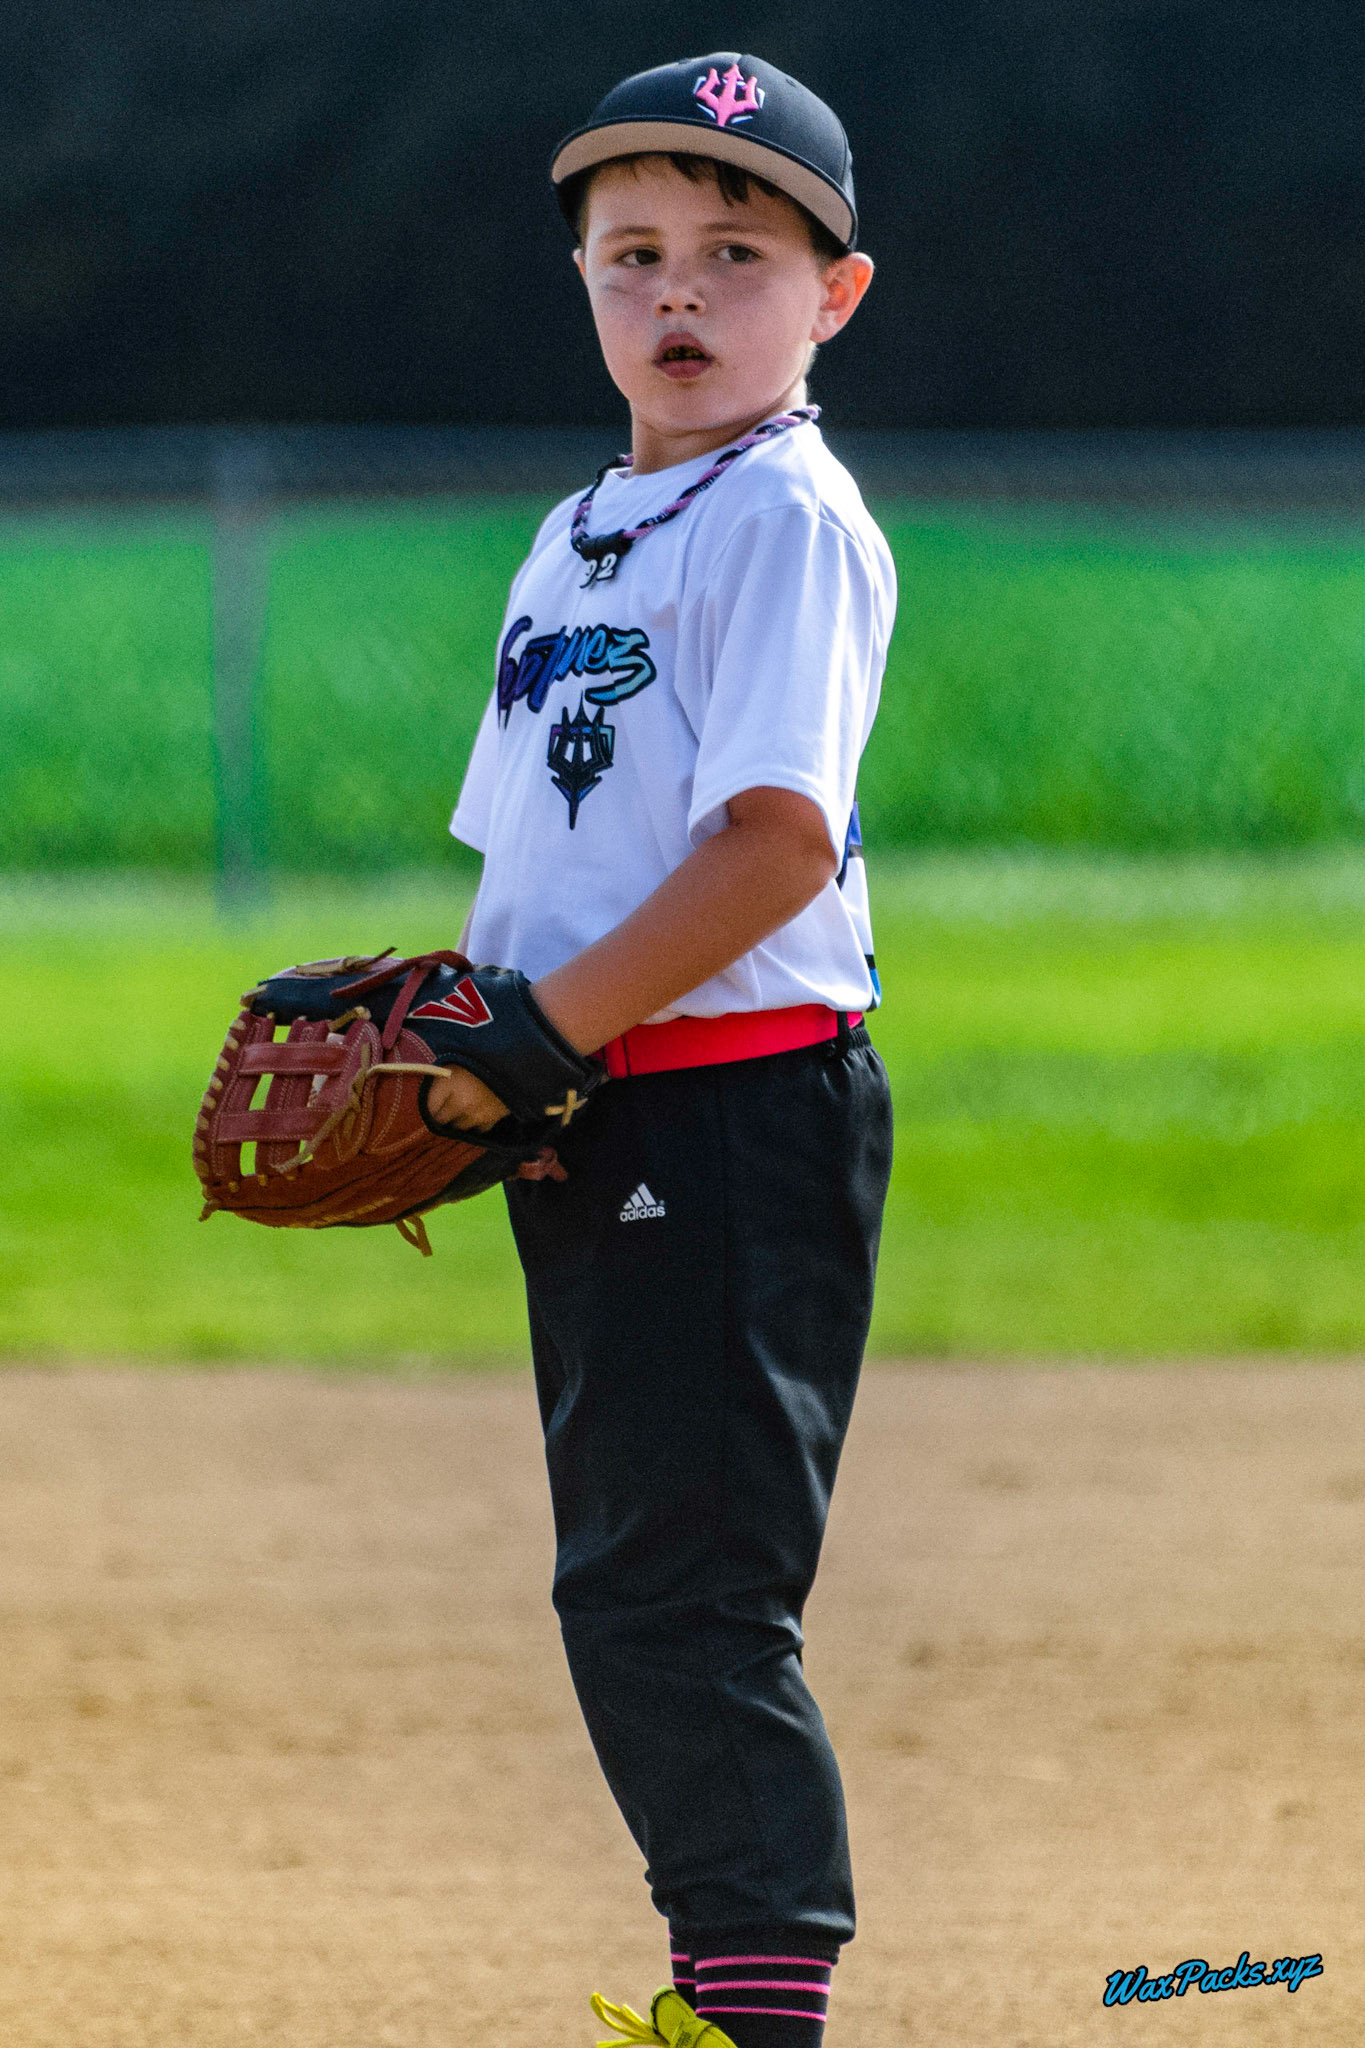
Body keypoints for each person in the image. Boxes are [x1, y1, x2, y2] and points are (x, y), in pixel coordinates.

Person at [428, 52, 896, 2048]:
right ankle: (731, 1992)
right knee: (630, 1580)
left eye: (735, 251)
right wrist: (490, 1044)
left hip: (730, 1100)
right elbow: (534, 851)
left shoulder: (780, 516)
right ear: (583, 283)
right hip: (605, 1095)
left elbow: (771, 843)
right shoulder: (579, 531)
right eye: (631, 253)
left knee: (684, 1592)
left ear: (832, 295)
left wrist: (542, 1036)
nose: (677, 290)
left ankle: (752, 2010)